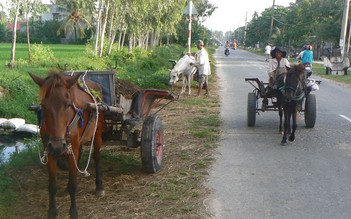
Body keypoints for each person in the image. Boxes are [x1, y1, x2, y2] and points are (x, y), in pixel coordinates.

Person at [261, 46, 291, 111]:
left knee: (283, 72)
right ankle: (264, 102)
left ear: (282, 54)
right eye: (277, 52)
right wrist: (275, 72)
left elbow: (288, 69)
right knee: (274, 74)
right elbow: (269, 70)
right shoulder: (271, 61)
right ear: (275, 53)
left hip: (283, 80)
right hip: (273, 79)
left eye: (280, 53)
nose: (278, 54)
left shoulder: (285, 60)